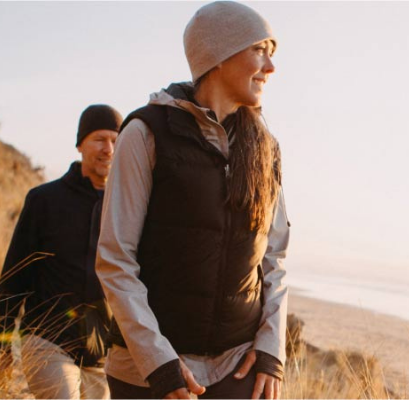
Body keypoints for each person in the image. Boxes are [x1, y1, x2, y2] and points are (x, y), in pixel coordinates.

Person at [95, 2, 290, 399]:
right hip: (149, 371)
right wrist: (159, 363)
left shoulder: (265, 147)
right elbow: (115, 259)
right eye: (260, 50)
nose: (271, 67)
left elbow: (274, 257)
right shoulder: (146, 132)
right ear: (218, 54)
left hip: (238, 366)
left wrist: (272, 346)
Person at [0, 104, 123, 399]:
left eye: (116, 140)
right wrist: (0, 342)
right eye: (100, 139)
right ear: (80, 144)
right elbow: (15, 276)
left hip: (103, 355)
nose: (108, 149)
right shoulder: (44, 200)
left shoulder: (127, 210)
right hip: (47, 340)